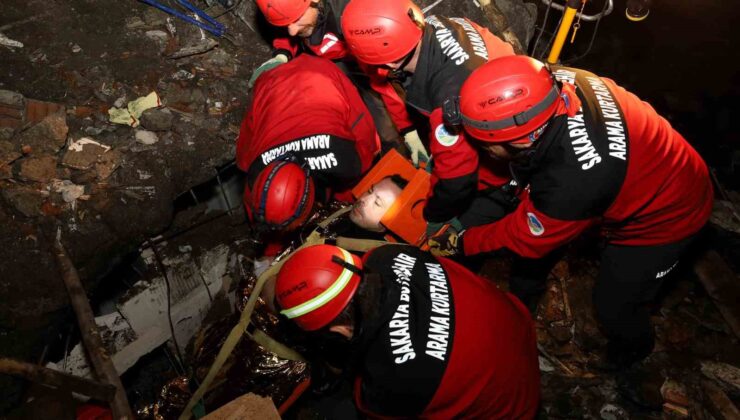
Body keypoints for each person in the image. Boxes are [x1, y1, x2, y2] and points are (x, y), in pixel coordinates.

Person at [427, 55, 714, 368]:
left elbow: (525, 237)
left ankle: (633, 351)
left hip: (669, 215)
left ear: (523, 141)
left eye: (483, 144)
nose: (479, 149)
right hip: (650, 164)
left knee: (615, 304)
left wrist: (463, 241)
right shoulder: (546, 81)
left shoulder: (573, 182)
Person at [273, 243, 540, 418]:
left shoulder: (392, 377)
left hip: (512, 407)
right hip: (517, 328)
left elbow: (369, 407)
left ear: (340, 329)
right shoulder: (388, 256)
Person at [340, 0, 517, 229]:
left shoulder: (449, 102)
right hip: (502, 103)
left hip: (506, 157)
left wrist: (430, 216)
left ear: (391, 61)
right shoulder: (435, 23)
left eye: (374, 64)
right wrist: (408, 130)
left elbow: (457, 180)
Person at [236, 54, 380, 233]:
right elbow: (247, 139)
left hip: (320, 75)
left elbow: (362, 127)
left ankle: (280, 61)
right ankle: (277, 63)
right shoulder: (254, 170)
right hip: (273, 81)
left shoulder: (348, 161)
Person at [251, 0, 417, 155]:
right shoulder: (297, 11)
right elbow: (284, 27)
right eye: (287, 23)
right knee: (346, 113)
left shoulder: (350, 18)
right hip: (332, 60)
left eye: (297, 19)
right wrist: (282, 54)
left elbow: (382, 83)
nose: (292, 31)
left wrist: (407, 129)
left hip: (362, 56)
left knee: (380, 113)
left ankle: (395, 150)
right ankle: (370, 148)